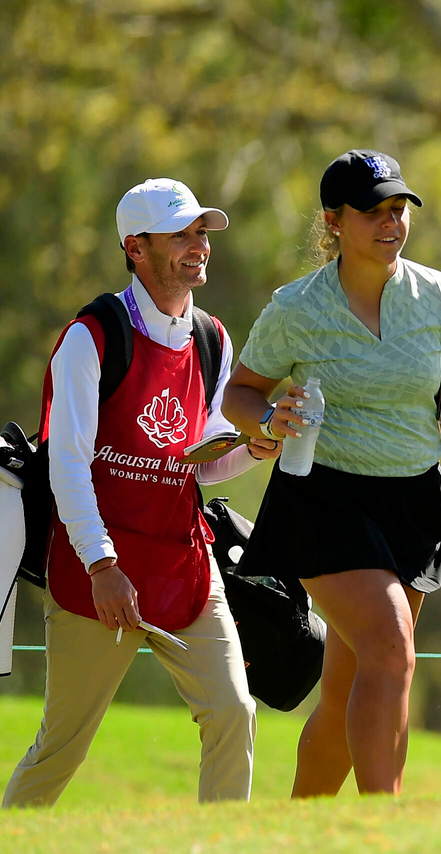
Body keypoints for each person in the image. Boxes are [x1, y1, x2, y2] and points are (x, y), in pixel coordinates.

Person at [222, 149, 441, 797]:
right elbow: (239, 394)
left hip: (412, 504)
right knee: (392, 649)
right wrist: (269, 419)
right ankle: (380, 831)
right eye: (372, 212)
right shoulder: (296, 307)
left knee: (351, 689)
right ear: (333, 221)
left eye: (398, 209)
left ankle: (300, 835)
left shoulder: (440, 298)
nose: (391, 223)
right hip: (323, 500)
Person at [4, 179, 281, 807]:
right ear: (136, 247)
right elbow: (67, 467)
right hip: (97, 572)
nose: (199, 246)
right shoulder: (91, 336)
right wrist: (102, 565)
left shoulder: (211, 337)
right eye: (180, 235)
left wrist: (253, 446)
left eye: (202, 233)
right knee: (62, 748)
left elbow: (198, 465)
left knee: (234, 712)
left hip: (185, 563)